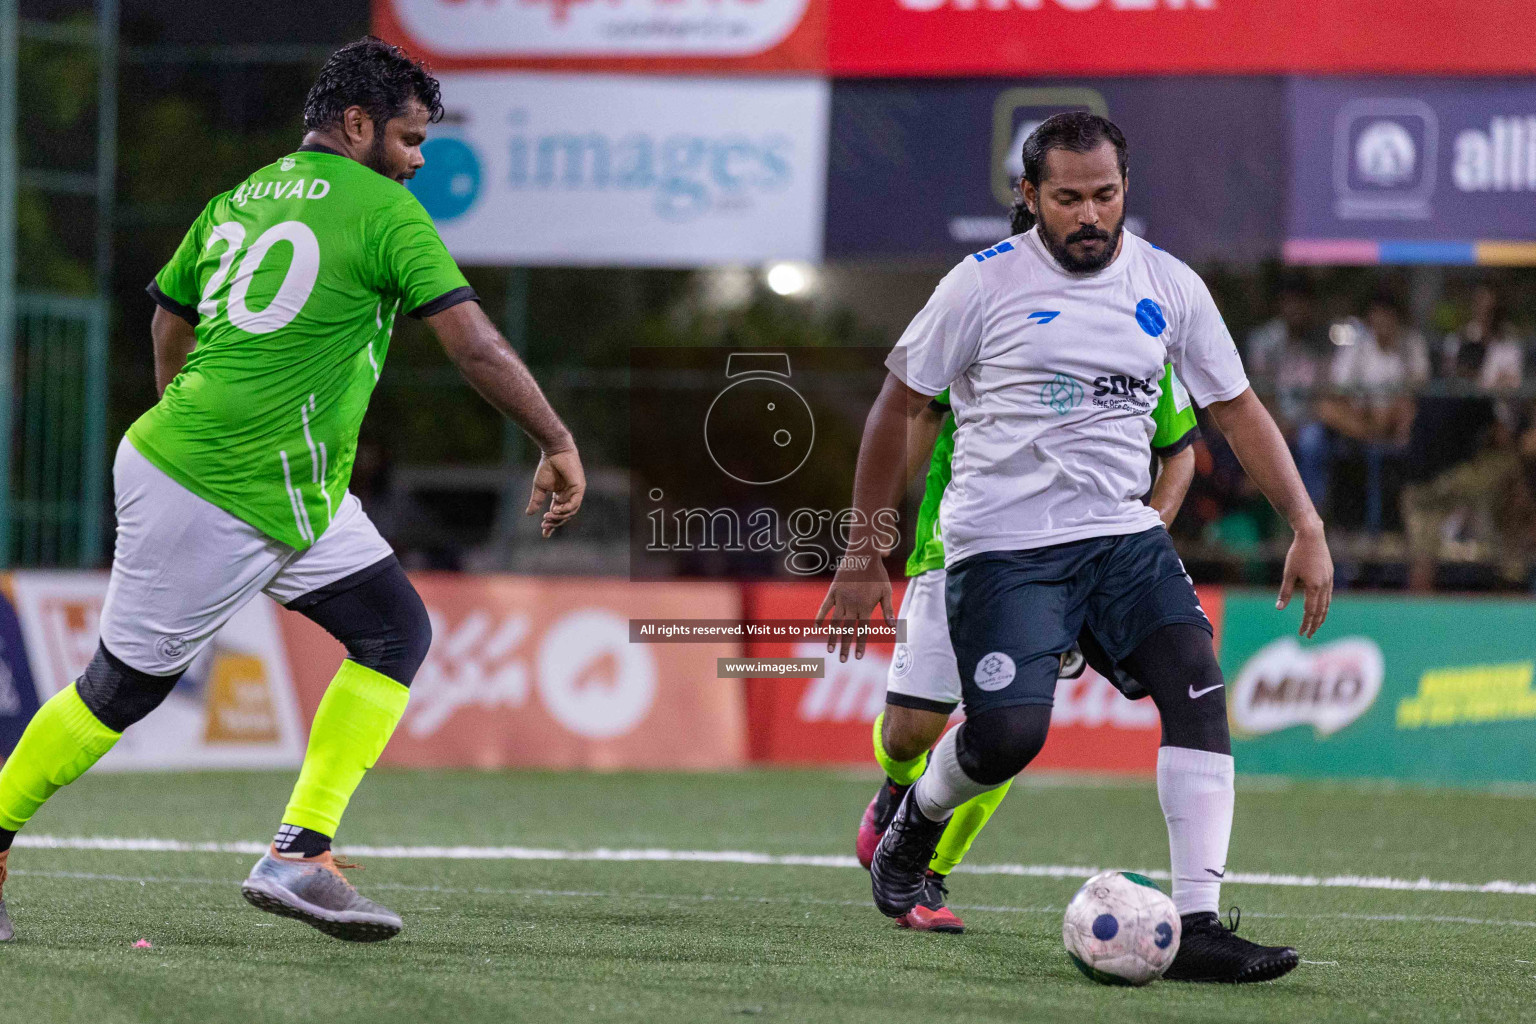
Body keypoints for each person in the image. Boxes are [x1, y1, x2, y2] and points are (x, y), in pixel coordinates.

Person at [0, 38, 585, 944]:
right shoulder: (385, 213)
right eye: (408, 138)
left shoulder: (242, 194)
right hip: (218, 481)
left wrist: (188, 413)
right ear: (357, 126)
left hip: (275, 481)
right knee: (118, 692)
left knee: (395, 629)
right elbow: (472, 345)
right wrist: (555, 439)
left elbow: (170, 312)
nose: (418, 160)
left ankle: (298, 855)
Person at [818, 112, 1332, 983]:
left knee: (1199, 691)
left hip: (1121, 539)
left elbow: (1236, 410)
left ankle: (1200, 922)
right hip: (1001, 548)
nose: (1090, 215)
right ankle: (914, 826)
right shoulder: (980, 285)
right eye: (1068, 199)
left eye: (1105, 195)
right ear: (1029, 197)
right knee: (1008, 737)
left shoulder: (1170, 286)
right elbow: (898, 405)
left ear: (1125, 189)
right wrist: (865, 550)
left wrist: (1307, 525)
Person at [857, 361, 1199, 933]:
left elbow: (1179, 453)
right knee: (908, 733)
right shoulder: (989, 314)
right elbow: (914, 412)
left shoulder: (1142, 339)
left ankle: (930, 870)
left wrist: (1143, 540)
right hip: (957, 548)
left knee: (1008, 724)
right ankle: (897, 788)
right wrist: (871, 535)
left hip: (1059, 571)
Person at [1306, 290, 1428, 531]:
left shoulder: (1412, 344)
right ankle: (1314, 515)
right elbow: (1337, 391)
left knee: (1407, 411)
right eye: (1377, 312)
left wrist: (1387, 411)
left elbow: (1419, 391)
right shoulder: (1358, 346)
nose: (1382, 319)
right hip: (1363, 423)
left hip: (1397, 422)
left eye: (1388, 313)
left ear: (1397, 316)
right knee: (1324, 413)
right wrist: (1364, 412)